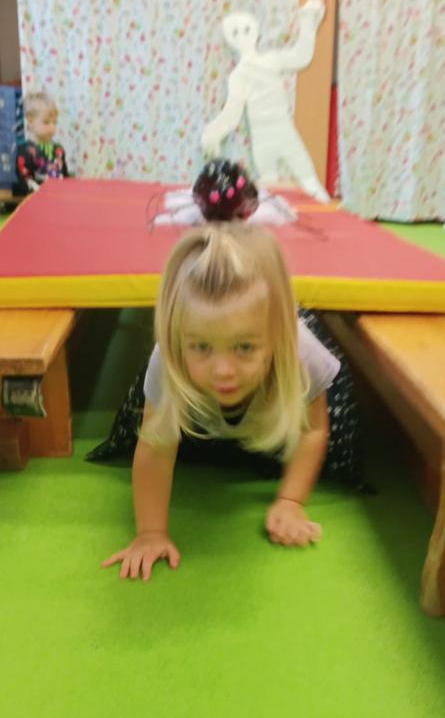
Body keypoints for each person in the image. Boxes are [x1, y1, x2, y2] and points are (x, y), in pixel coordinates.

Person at [95, 217, 363, 581]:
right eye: (202, 347)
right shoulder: (168, 360)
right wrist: (150, 533)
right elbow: (156, 448)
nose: (223, 370)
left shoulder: (301, 352)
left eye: (244, 347)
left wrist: (290, 500)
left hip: (277, 404)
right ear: (178, 339)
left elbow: (312, 432)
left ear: (276, 337)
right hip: (202, 409)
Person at [15, 91, 69, 194]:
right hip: (38, 200)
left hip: (60, 198)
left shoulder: (58, 150)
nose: (52, 127)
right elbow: (25, 180)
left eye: (54, 122)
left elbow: (65, 176)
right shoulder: (25, 152)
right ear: (30, 121)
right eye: (46, 122)